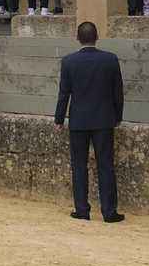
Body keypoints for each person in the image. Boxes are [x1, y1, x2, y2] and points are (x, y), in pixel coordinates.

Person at [53, 20, 125, 222]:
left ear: (77, 38)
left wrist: (59, 120)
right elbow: (117, 92)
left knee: (79, 165)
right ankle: (109, 212)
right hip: (103, 119)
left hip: (79, 120)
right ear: (97, 37)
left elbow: (64, 94)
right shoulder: (110, 59)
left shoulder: (69, 62)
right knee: (105, 165)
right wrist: (117, 117)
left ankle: (82, 210)